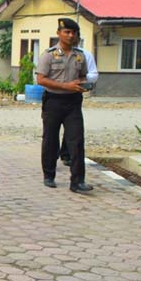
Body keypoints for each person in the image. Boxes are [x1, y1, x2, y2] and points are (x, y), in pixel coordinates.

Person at [37, 17, 92, 193]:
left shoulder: (80, 56)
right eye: (67, 32)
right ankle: (49, 175)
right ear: (59, 33)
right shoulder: (48, 55)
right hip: (53, 101)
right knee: (50, 140)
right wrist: (65, 85)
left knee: (76, 141)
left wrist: (82, 84)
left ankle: (77, 181)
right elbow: (41, 79)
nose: (70, 35)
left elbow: (83, 75)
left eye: (73, 32)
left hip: (73, 102)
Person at [59, 30, 98, 165]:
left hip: (74, 95)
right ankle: (51, 162)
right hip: (56, 96)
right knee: (52, 132)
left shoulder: (85, 55)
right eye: (68, 34)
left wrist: (82, 78)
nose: (71, 38)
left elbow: (94, 74)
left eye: (74, 36)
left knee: (73, 129)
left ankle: (68, 155)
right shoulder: (54, 54)